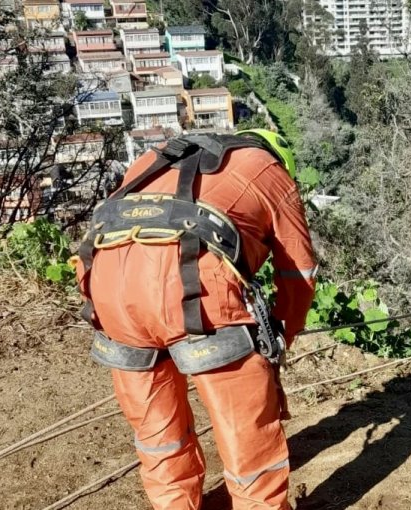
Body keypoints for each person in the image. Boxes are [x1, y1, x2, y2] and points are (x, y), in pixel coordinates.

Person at [71, 129, 317, 510]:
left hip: (110, 293)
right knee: (245, 432)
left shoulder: (154, 157)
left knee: (158, 433)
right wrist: (284, 330)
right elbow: (297, 274)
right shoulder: (270, 171)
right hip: (194, 291)